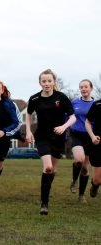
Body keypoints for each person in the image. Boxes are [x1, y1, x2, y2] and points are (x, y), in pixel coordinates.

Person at [26, 69, 76, 215]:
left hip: (58, 138)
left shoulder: (61, 97)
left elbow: (73, 117)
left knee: (52, 170)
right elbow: (28, 115)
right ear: (40, 82)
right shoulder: (34, 99)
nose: (46, 83)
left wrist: (64, 127)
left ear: (54, 82)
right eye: (44, 81)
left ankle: (46, 192)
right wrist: (28, 131)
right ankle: (44, 203)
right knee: (47, 167)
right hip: (42, 137)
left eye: (49, 81)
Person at [69, 80, 94, 203]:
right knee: (79, 159)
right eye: (81, 87)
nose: (83, 89)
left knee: (85, 168)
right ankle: (74, 181)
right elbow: (67, 116)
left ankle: (81, 195)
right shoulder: (74, 102)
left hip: (90, 137)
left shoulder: (96, 104)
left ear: (91, 89)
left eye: (86, 87)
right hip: (76, 134)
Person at [85, 98, 101, 198]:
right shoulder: (97, 104)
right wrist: (92, 136)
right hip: (98, 143)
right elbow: (87, 122)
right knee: (97, 180)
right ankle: (95, 186)